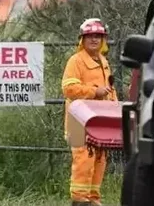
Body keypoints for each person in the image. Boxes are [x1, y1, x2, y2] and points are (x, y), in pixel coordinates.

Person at [61, 18, 117, 206]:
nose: (94, 39)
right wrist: (94, 91)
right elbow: (68, 89)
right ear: (82, 40)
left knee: (100, 158)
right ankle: (79, 199)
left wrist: (115, 107)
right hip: (78, 121)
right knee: (83, 159)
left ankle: (93, 198)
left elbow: (110, 89)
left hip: (100, 119)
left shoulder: (103, 61)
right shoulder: (75, 61)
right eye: (90, 36)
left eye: (98, 36)